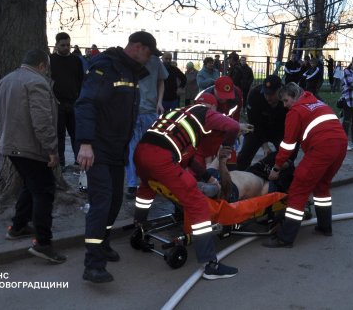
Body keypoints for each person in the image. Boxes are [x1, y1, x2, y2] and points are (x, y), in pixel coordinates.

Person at [76, 31, 159, 284]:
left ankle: (103, 244)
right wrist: (86, 144)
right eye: (148, 53)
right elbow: (86, 103)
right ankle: (93, 264)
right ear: (136, 46)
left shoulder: (130, 72)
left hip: (116, 149)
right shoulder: (106, 67)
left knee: (113, 202)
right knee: (101, 203)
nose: (149, 60)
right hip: (97, 148)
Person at [132, 92, 240, 280]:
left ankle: (138, 228)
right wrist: (226, 148)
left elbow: (188, 159)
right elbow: (234, 126)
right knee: (197, 204)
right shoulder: (206, 113)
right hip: (161, 158)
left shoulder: (177, 114)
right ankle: (210, 265)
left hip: (141, 152)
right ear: (211, 107)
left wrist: (207, 176)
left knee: (146, 190)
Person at [0, 49, 66, 264]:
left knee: (30, 184)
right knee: (44, 191)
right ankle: (43, 243)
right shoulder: (37, 82)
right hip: (31, 147)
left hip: (11, 145)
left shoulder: (5, 81)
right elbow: (42, 120)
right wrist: (51, 150)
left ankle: (18, 226)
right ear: (42, 65)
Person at [263, 83, 347, 248]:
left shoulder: (296, 111)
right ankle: (325, 227)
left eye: (286, 100)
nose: (285, 105)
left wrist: (276, 168)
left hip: (322, 148)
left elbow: (287, 144)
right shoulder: (316, 102)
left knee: (298, 190)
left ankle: (285, 238)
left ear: (294, 96)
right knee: (322, 186)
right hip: (341, 145)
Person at [124, 54, 168, 199]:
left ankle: (149, 181)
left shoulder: (155, 61)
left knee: (150, 148)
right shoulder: (129, 60)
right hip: (133, 111)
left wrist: (159, 102)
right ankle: (132, 183)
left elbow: (161, 81)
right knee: (131, 147)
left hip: (150, 110)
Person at [237, 75, 287, 171]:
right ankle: (239, 175)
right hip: (258, 128)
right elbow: (254, 122)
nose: (268, 97)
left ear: (280, 91)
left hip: (279, 130)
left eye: (271, 94)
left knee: (286, 155)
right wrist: (265, 146)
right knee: (244, 155)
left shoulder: (288, 97)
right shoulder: (254, 95)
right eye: (266, 93)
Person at [50, 32, 84, 168]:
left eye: (68, 45)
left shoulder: (76, 60)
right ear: (57, 45)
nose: (66, 48)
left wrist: (79, 98)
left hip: (73, 102)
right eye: (63, 45)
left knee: (76, 133)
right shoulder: (50, 60)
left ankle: (78, 160)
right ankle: (61, 162)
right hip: (57, 103)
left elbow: (81, 80)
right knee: (59, 135)